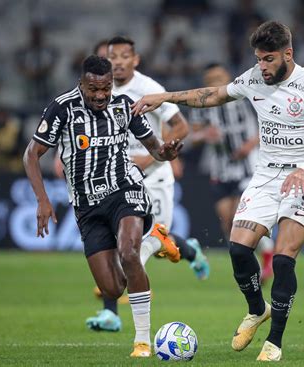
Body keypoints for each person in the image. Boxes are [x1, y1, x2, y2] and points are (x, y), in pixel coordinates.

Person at [132, 21, 304, 361]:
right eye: (259, 59)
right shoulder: (255, 78)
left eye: (269, 59)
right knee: (238, 249)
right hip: (265, 176)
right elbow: (213, 95)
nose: (262, 66)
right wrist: (165, 97)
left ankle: (273, 342)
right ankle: (257, 309)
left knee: (284, 259)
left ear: (288, 54)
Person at [23, 55, 183, 358]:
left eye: (106, 89)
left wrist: (167, 151)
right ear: (82, 83)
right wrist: (43, 199)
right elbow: (32, 154)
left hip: (125, 190)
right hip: (86, 206)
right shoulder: (62, 108)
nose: (100, 96)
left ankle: (143, 342)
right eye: (93, 89)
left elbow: (155, 151)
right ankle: (155, 242)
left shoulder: (124, 106)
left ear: (112, 84)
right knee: (112, 289)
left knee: (128, 253)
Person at [85, 36, 210, 332]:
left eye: (123, 56)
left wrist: (158, 155)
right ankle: (110, 313)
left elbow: (181, 126)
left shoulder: (150, 89)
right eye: (111, 56)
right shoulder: (99, 91)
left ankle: (190, 251)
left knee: (153, 241)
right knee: (119, 245)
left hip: (153, 177)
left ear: (135, 59)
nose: (117, 61)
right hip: (117, 181)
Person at [188, 62, 274, 281]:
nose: (215, 84)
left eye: (218, 78)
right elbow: (193, 136)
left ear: (227, 76)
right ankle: (247, 260)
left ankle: (265, 257)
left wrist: (249, 144)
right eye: (210, 81)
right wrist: (205, 135)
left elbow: (267, 124)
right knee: (226, 220)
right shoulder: (202, 103)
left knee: (240, 217)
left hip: (249, 166)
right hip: (220, 169)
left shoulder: (244, 97)